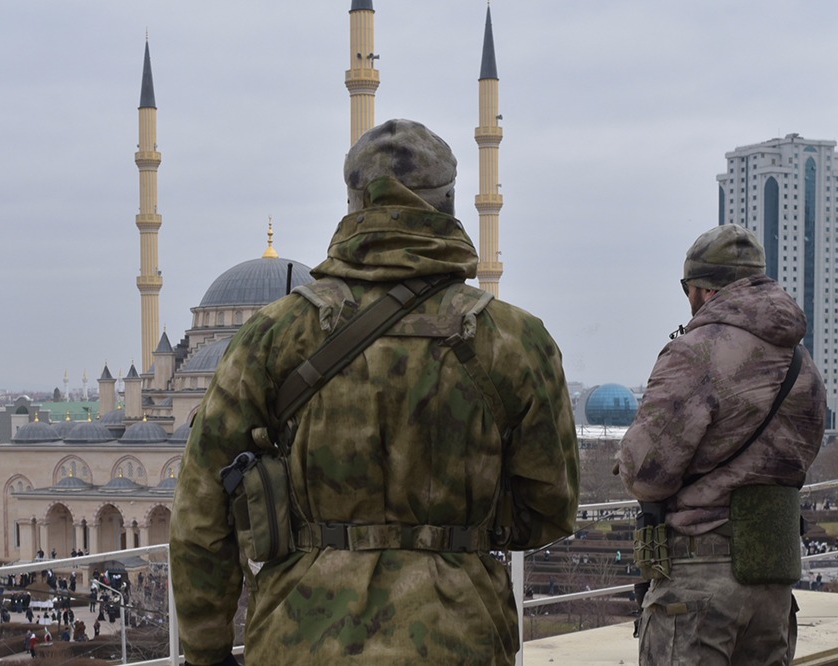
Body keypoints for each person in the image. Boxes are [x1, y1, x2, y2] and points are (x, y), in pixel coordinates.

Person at [169, 118, 579, 665]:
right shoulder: (514, 340)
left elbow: (201, 511)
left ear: (353, 203)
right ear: (449, 203)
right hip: (460, 636)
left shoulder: (274, 336)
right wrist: (455, 522)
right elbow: (549, 507)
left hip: (300, 639)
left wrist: (207, 652)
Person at [618, 224, 826, 665]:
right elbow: (801, 458)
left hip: (700, 583)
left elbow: (645, 473)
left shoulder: (696, 352)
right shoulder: (802, 363)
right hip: (771, 579)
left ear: (704, 289)